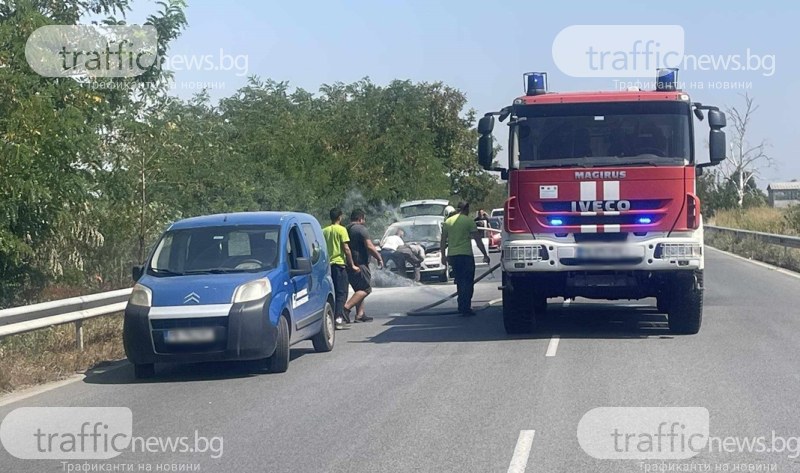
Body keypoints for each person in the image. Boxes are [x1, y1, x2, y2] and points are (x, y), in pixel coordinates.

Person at [441, 201, 490, 316]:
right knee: (468, 282)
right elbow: (477, 239)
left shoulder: (448, 222)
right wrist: (485, 254)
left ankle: (461, 305)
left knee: (459, 281)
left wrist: (443, 256)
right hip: (466, 256)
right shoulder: (468, 221)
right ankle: (465, 307)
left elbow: (443, 241)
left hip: (453, 256)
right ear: (467, 209)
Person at [344, 209, 383, 322]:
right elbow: (369, 246)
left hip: (349, 263)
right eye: (364, 219)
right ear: (360, 218)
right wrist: (379, 257)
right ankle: (346, 308)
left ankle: (360, 315)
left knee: (359, 288)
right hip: (360, 263)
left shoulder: (346, 229)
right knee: (366, 289)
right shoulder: (360, 229)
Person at [322, 208, 358, 330]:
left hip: (327, 266)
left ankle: (330, 317)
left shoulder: (324, 231)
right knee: (342, 292)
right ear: (340, 217)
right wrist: (352, 264)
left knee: (331, 292)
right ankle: (338, 318)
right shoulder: (342, 230)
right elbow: (346, 248)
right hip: (339, 265)